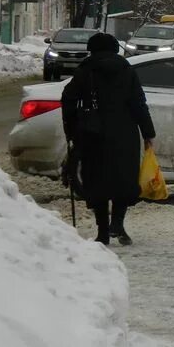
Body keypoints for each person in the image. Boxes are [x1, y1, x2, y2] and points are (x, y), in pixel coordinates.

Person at [62, 32, 155, 246]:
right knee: (123, 178)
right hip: (124, 133)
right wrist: (148, 133)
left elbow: (68, 99)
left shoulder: (85, 70)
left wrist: (72, 129)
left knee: (97, 180)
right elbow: (138, 103)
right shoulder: (126, 70)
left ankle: (103, 232)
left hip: (93, 134)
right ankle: (118, 225)